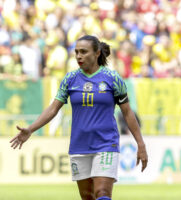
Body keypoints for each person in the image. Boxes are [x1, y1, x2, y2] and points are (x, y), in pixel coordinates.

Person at [10, 35, 148, 200]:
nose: (79, 56)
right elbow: (53, 109)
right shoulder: (70, 79)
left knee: (102, 193)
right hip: (79, 145)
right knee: (87, 197)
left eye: (83, 52)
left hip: (106, 143)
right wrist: (30, 129)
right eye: (76, 52)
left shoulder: (112, 78)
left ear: (97, 53)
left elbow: (127, 112)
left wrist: (140, 143)